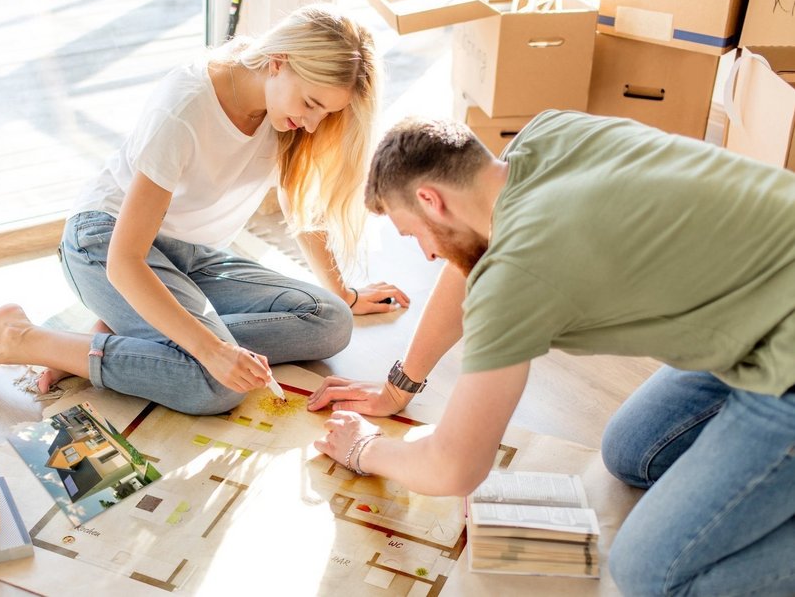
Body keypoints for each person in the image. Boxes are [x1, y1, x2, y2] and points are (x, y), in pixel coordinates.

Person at [309, 110, 795, 596]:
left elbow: (455, 468)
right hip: (761, 300)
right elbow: (466, 265)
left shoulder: (519, 276)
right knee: (632, 453)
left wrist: (363, 448)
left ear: (431, 200)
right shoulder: (544, 136)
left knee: (651, 576)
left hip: (786, 359)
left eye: (413, 233)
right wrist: (400, 388)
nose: (427, 255)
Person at [0, 4, 409, 415]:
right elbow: (125, 260)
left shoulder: (281, 116)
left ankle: (128, 334)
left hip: (193, 259)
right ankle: (19, 339)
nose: (310, 123)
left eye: (324, 113)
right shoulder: (186, 107)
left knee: (329, 322)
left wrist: (344, 294)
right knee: (216, 381)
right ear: (278, 61)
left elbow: (300, 205)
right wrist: (211, 349)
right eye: (311, 104)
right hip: (106, 244)